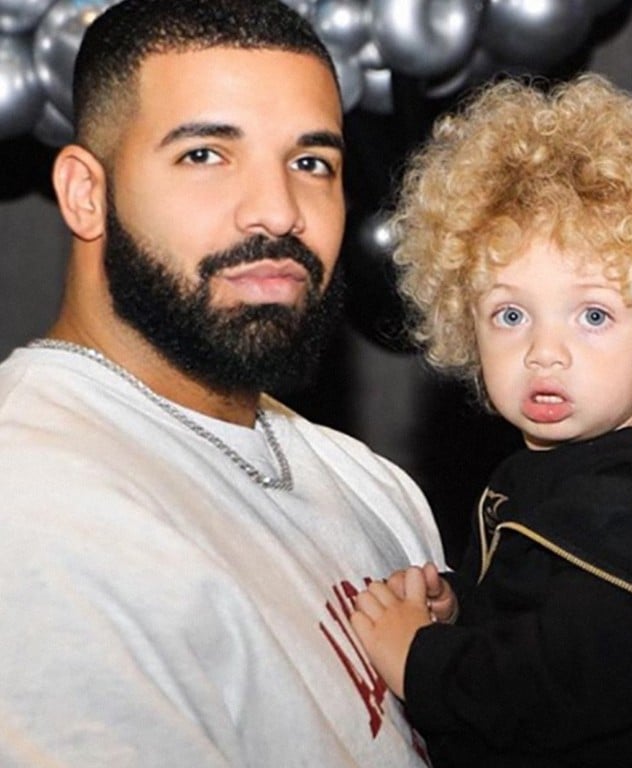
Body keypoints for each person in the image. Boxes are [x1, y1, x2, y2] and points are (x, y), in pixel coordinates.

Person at [0, 1, 446, 766]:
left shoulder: (375, 487)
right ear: (84, 193)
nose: (277, 211)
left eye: (312, 163)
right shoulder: (35, 508)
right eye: (205, 154)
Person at [350, 74, 632, 766]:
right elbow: (554, 624)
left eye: (594, 315)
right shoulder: (565, 479)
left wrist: (420, 656)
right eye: (510, 315)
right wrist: (464, 613)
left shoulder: (626, 511)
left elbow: (546, 695)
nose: (544, 352)